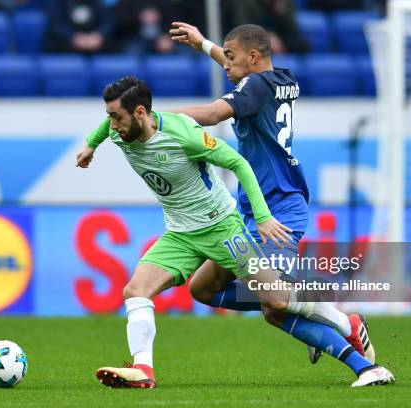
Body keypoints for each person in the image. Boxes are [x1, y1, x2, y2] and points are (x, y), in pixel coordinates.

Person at [76, 76, 394, 388]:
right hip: (180, 234)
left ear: (141, 113)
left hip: (222, 228)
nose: (113, 125)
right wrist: (91, 145)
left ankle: (359, 351)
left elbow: (239, 163)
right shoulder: (120, 132)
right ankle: (143, 368)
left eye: (117, 117)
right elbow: (105, 128)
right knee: (139, 291)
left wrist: (263, 217)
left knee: (278, 302)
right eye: (110, 117)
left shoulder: (184, 135)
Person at [166, 22, 394, 384]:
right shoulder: (282, 79)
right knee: (203, 289)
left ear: (253, 57)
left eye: (231, 57)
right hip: (249, 211)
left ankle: (352, 340)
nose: (225, 64)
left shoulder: (254, 86)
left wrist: (156, 119)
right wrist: (203, 44)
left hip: (277, 209)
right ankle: (307, 304)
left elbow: (211, 115)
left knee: (275, 308)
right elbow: (244, 71)